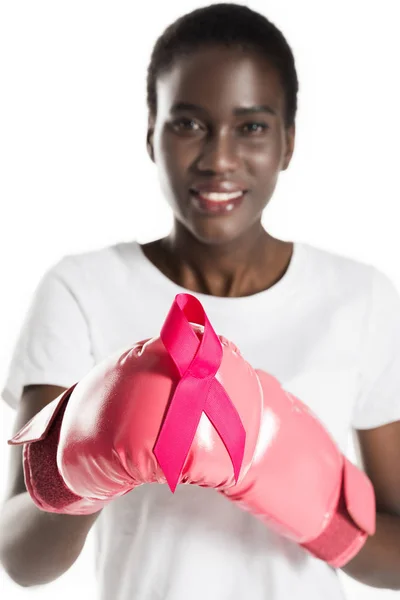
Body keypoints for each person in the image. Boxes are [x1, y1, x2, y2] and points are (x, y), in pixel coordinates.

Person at [1, 3, 400, 598]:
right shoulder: (80, 288)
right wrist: (92, 462)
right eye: (188, 123)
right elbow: (19, 557)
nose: (218, 158)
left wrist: (308, 501)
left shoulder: (359, 297)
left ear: (288, 142)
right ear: (150, 133)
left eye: (252, 126)